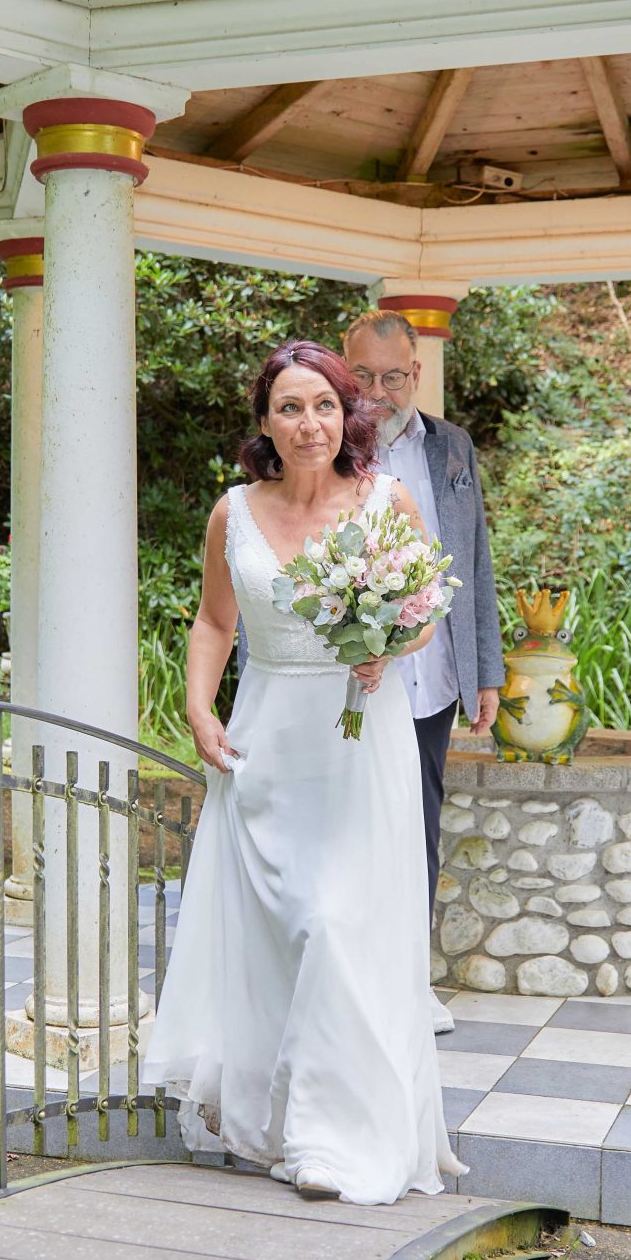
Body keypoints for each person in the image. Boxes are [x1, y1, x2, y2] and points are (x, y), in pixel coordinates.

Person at [146, 340, 467, 1205]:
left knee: (336, 926)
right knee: (275, 935)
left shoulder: (386, 500)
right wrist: (200, 708)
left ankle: (331, 1137)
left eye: (323, 405)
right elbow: (214, 623)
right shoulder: (233, 513)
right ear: (265, 422)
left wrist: (389, 645)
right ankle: (275, 1114)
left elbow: (425, 612)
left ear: (345, 413)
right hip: (267, 746)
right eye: (290, 407)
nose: (309, 423)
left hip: (360, 744)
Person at [343, 309, 505, 1034]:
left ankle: (411, 981)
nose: (378, 392)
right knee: (351, 829)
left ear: (416, 372)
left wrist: (485, 671)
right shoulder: (324, 447)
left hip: (432, 678)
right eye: (363, 376)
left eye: (393, 376)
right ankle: (350, 983)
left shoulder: (453, 446)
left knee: (419, 829)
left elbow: (474, 560)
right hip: (353, 682)